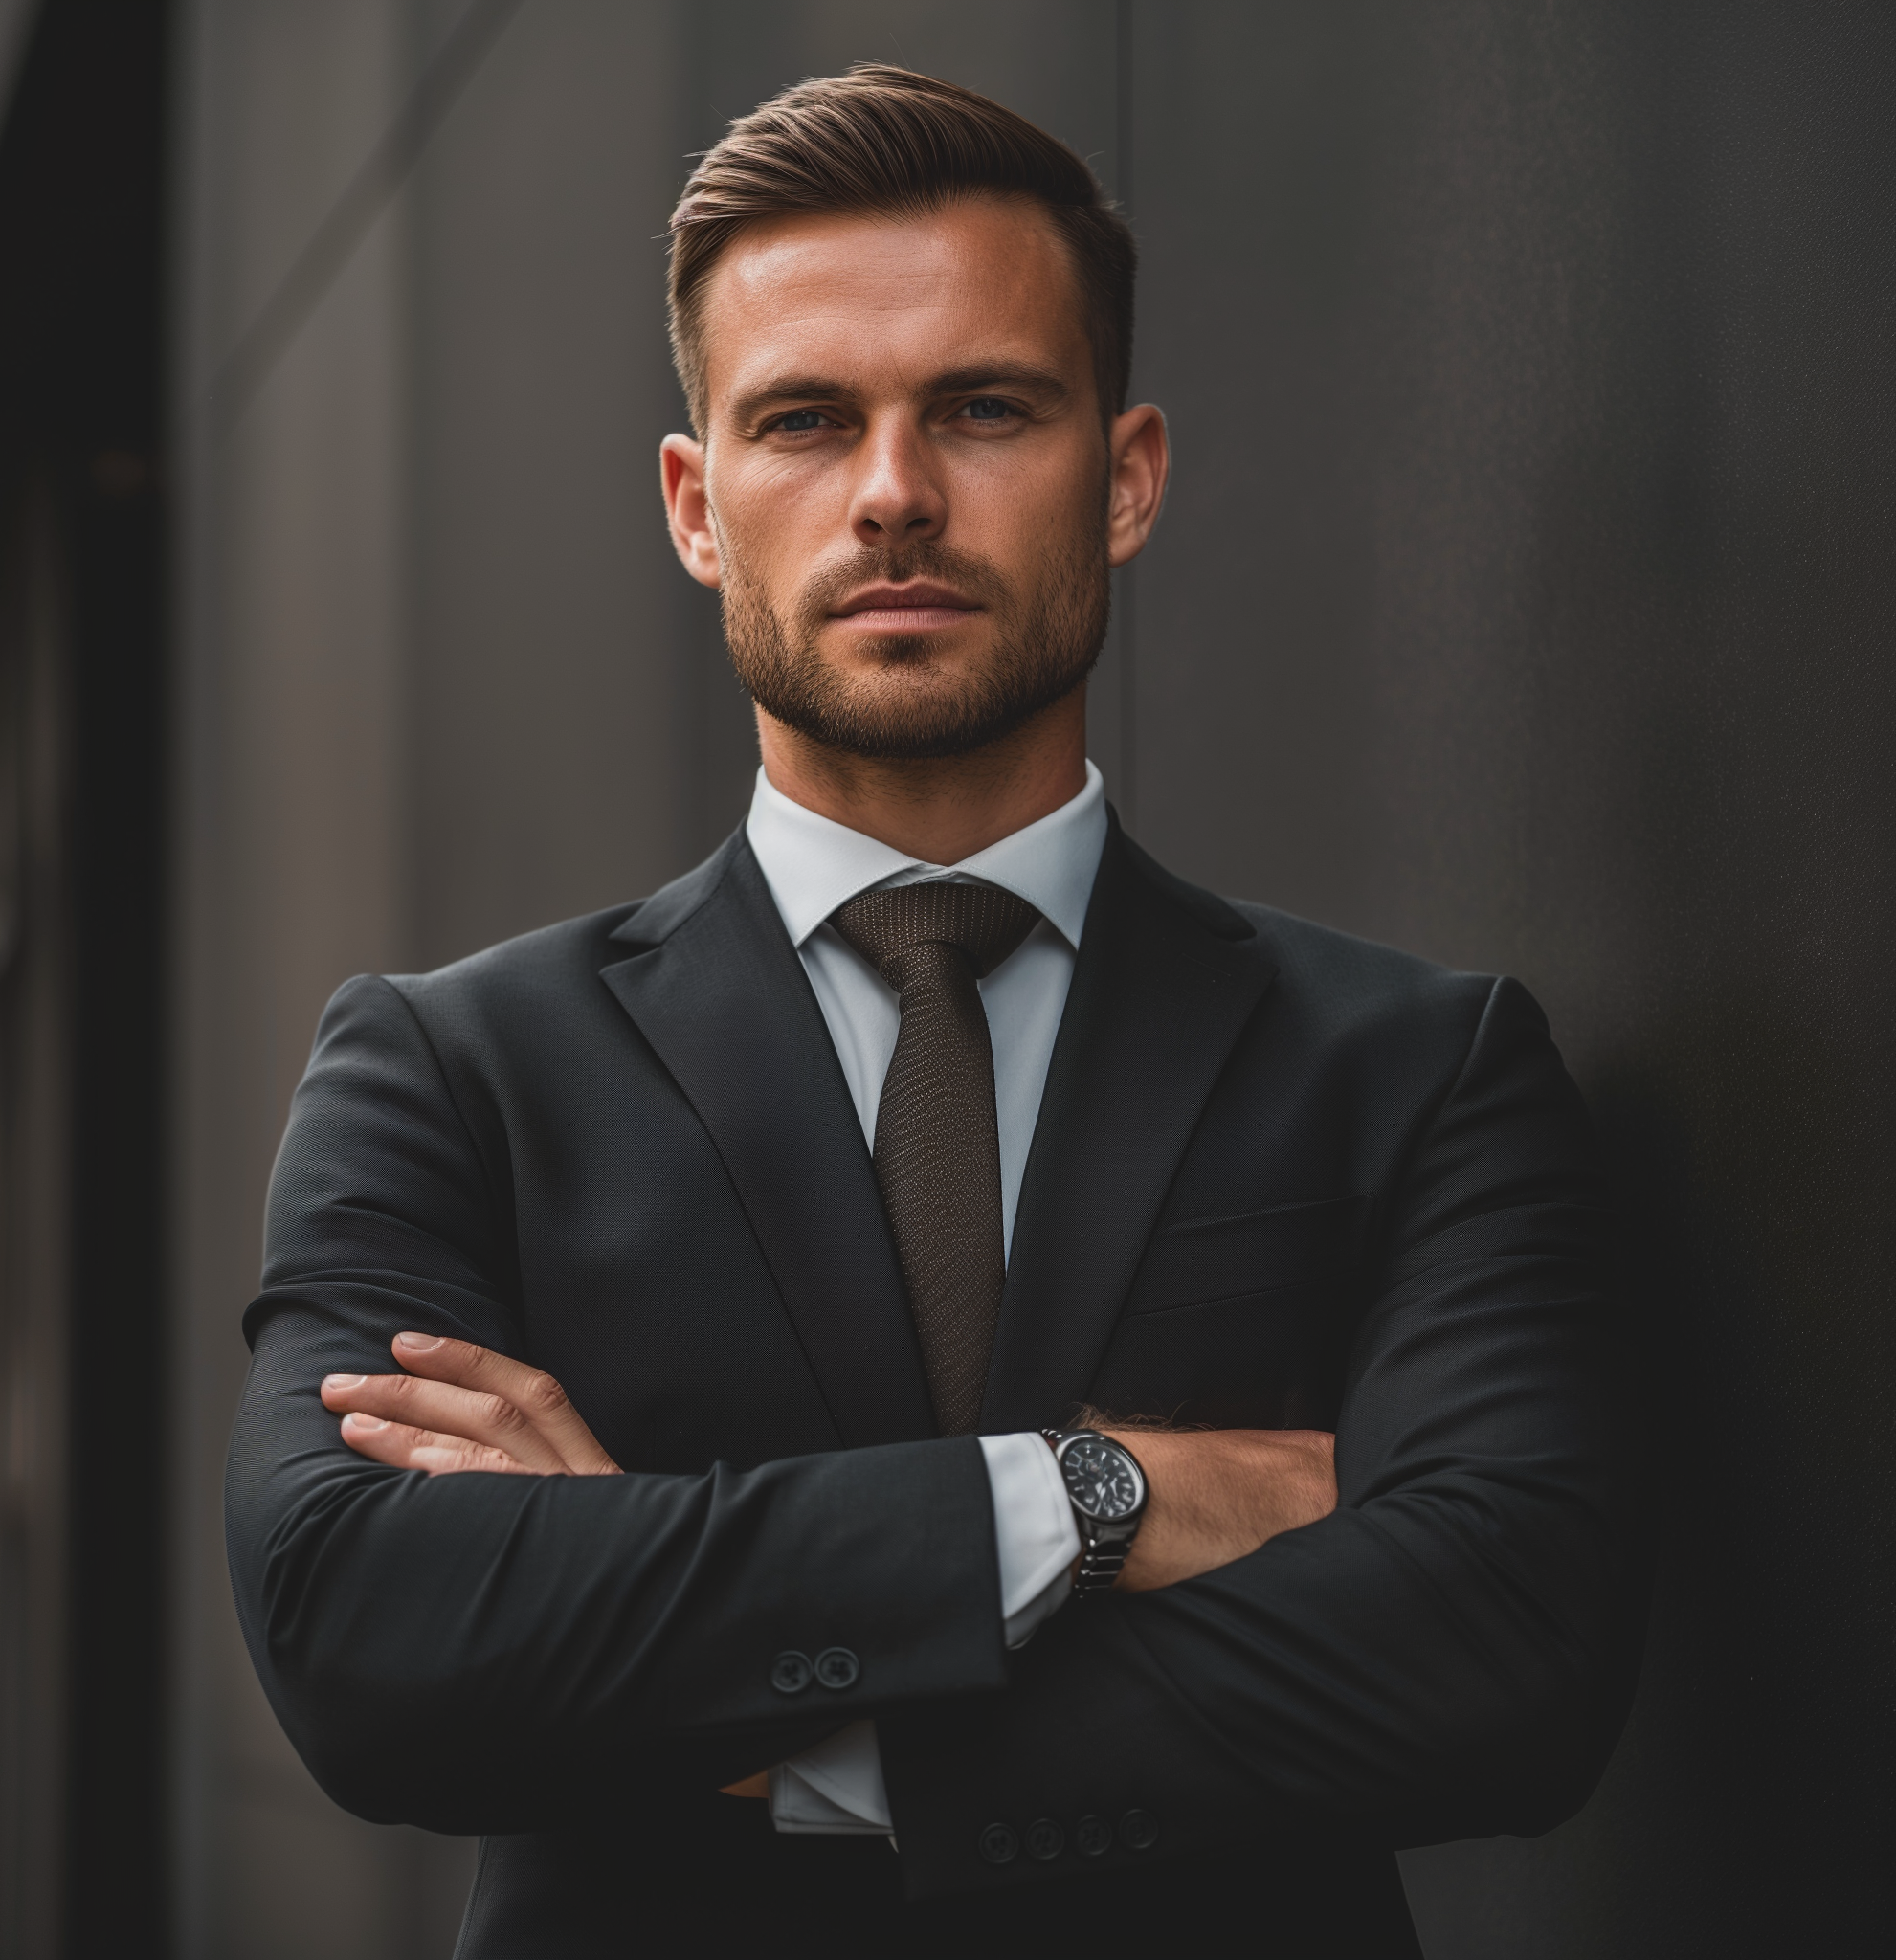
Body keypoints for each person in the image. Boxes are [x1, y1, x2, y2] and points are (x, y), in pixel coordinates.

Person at [228, 65, 1639, 1958]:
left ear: (1123, 473)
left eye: (983, 407)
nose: (893, 492)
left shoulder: (1413, 1070)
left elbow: (1508, 1653)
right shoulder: (454, 1073)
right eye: (803, 419)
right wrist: (1101, 1493)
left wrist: (716, 1681)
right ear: (694, 503)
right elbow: (362, 1629)